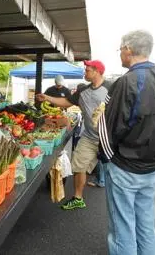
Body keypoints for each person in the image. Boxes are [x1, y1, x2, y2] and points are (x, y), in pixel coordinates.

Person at [98, 30, 155, 255]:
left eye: (120, 49)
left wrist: (107, 160)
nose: (120, 54)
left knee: (122, 227)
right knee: (145, 224)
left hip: (124, 166)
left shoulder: (124, 83)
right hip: (152, 167)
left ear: (129, 50)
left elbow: (106, 126)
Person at [36, 60, 110, 210]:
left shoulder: (112, 88)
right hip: (89, 137)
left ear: (97, 71)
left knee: (114, 173)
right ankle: (78, 197)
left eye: (88, 70)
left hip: (109, 138)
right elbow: (66, 101)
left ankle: (115, 204)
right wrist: (47, 98)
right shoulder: (83, 91)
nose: (85, 72)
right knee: (78, 165)